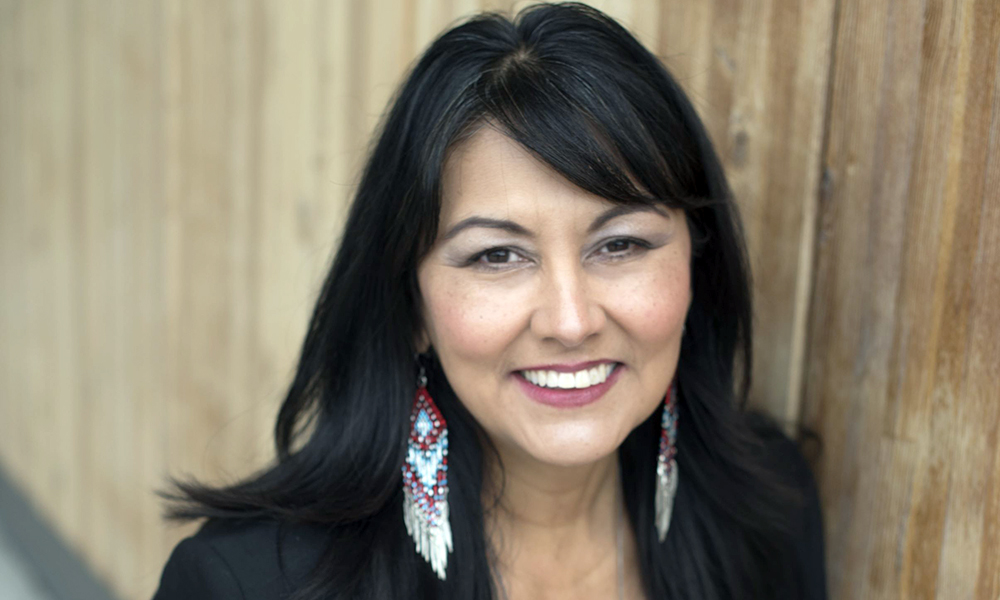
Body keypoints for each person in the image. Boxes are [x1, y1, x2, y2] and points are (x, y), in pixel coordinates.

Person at [152, 2, 827, 599]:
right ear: (410, 302)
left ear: (694, 265)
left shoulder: (768, 515)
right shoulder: (248, 584)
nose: (571, 321)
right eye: (497, 256)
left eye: (619, 245)